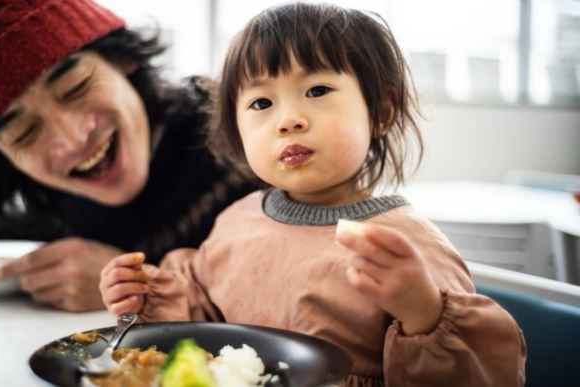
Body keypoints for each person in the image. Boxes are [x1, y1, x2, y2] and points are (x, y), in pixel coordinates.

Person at [99, 3, 527, 385]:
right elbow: (208, 321)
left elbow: (483, 375)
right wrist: (146, 294)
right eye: (261, 103)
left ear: (380, 112)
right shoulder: (238, 218)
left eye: (317, 91)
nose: (288, 120)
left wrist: (424, 313)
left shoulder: (407, 247)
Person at [0, 0, 256, 312]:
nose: (72, 140)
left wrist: (140, 286)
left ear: (123, 58)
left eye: (75, 88)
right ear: (4, 159)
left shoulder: (246, 144)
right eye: (24, 132)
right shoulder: (40, 217)